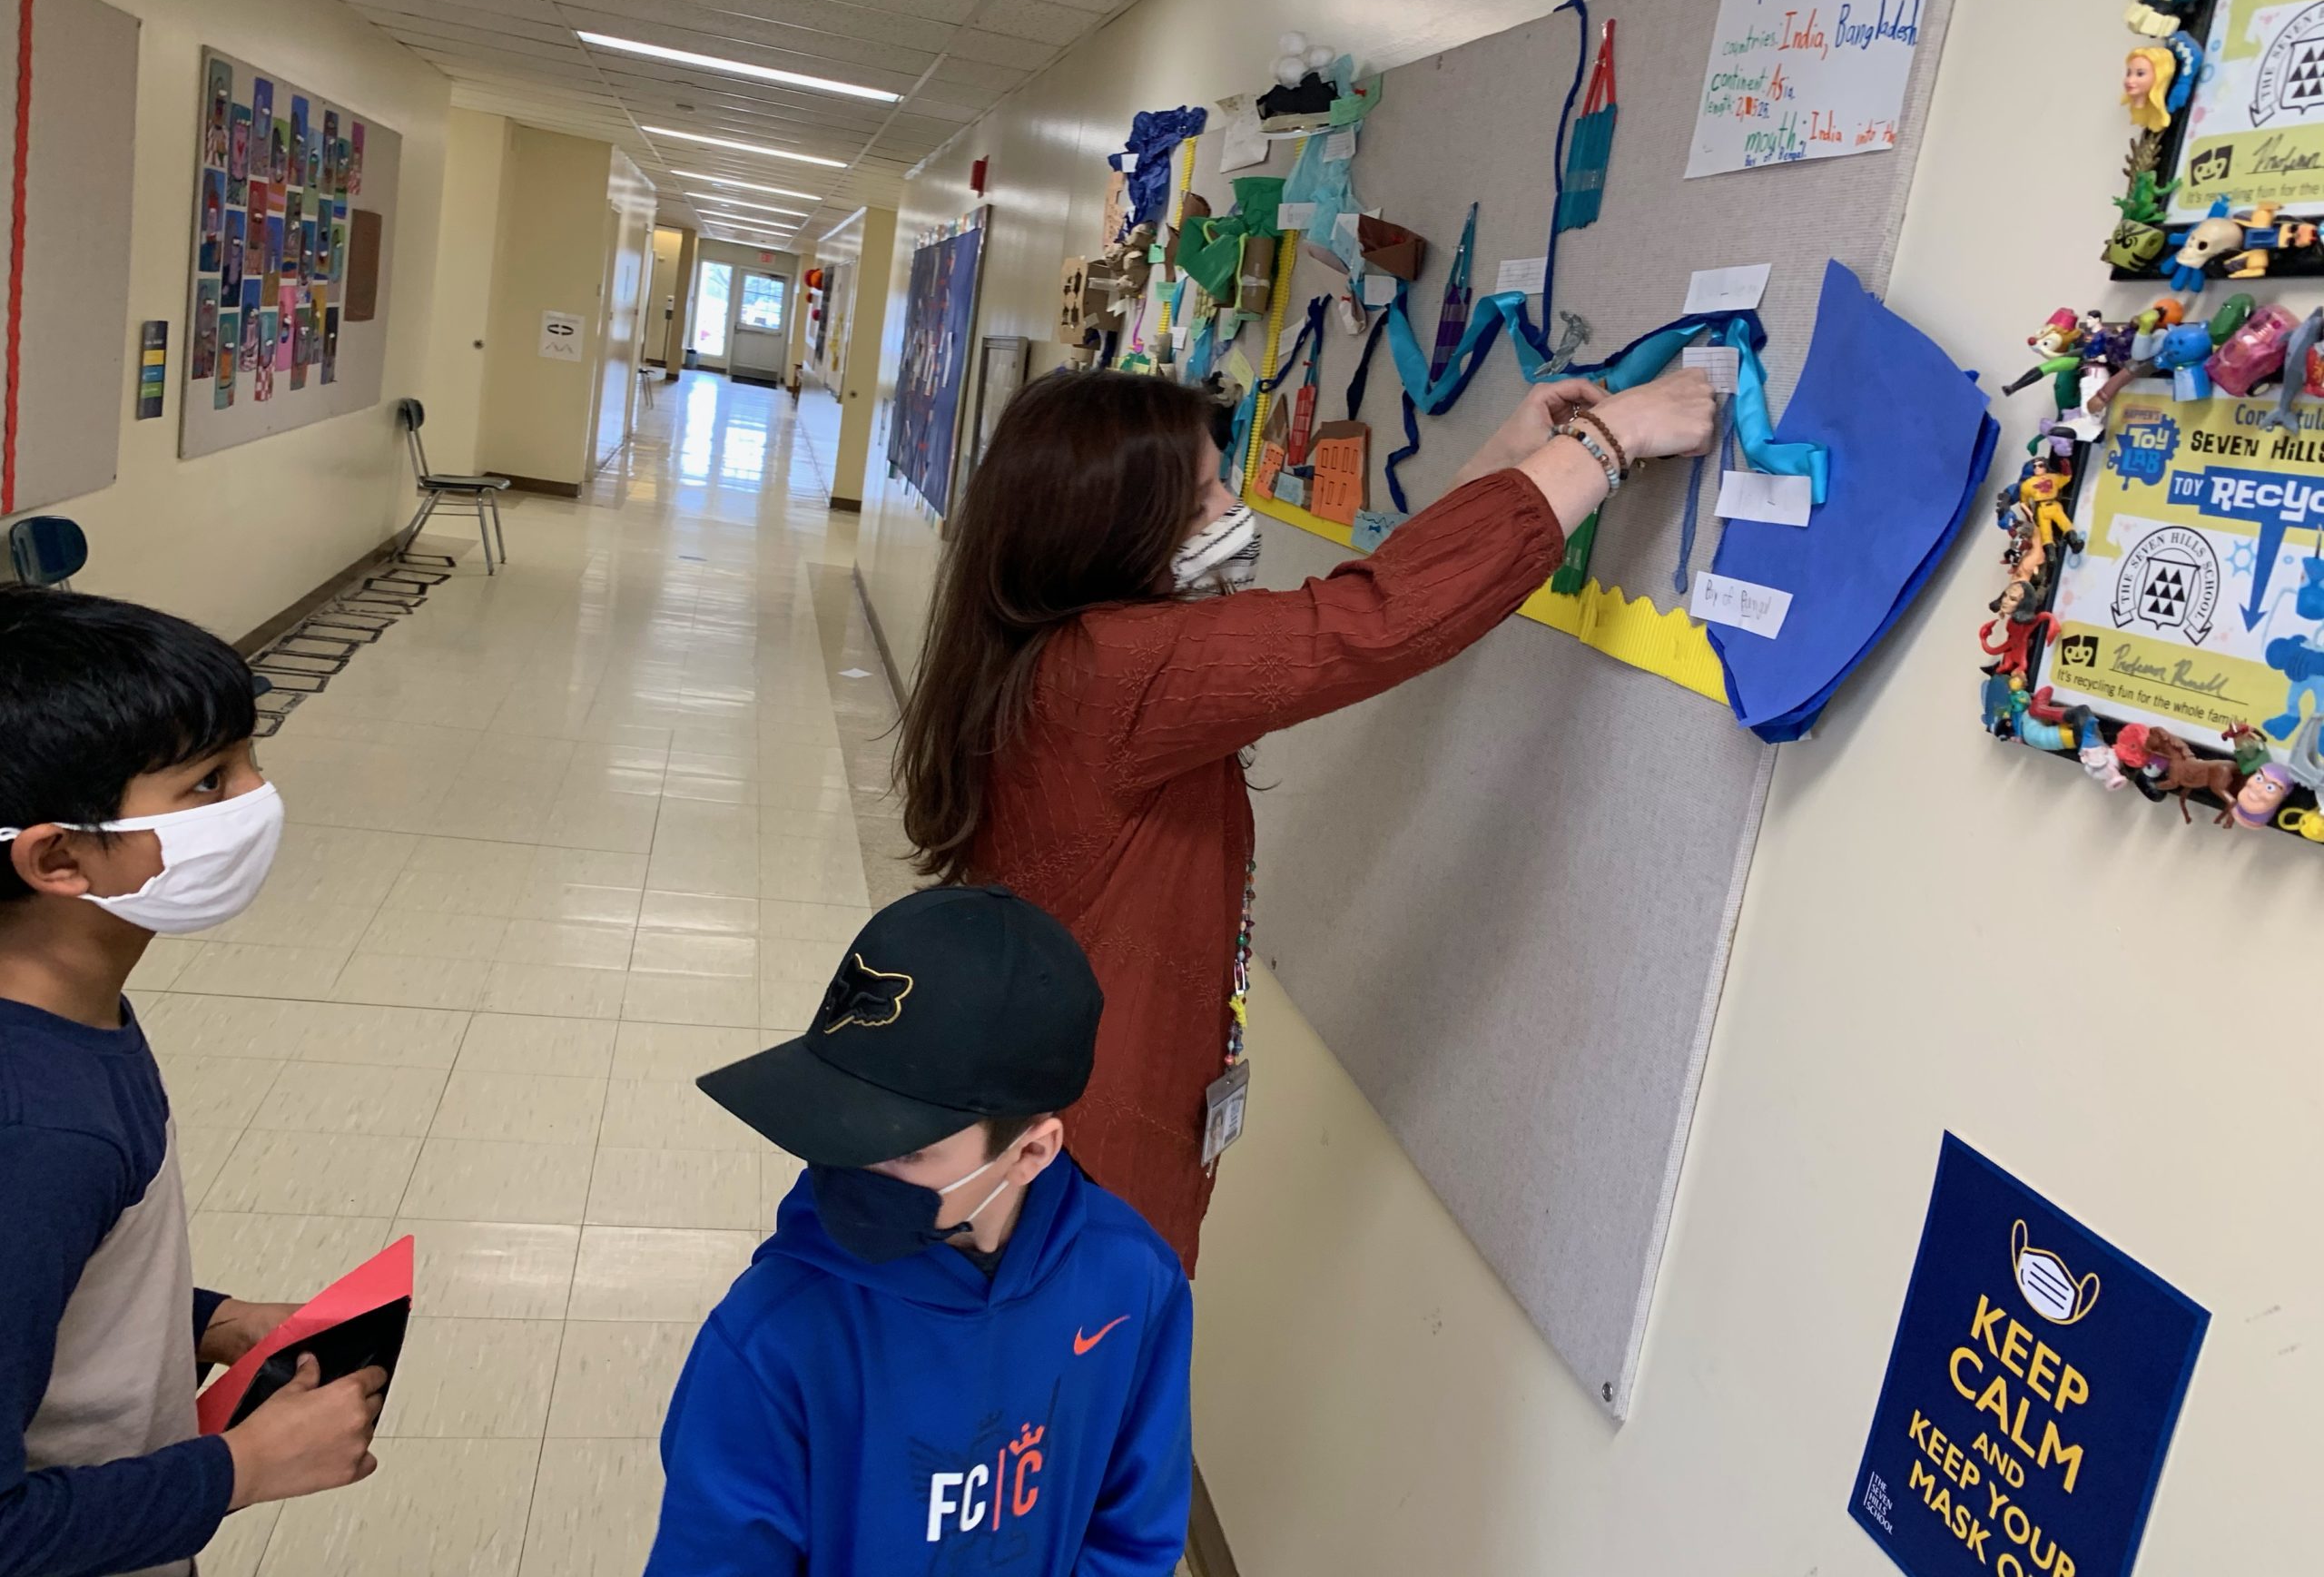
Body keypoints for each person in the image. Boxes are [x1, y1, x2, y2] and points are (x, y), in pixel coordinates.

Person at [895, 367, 1715, 1272]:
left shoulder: (1055, 650)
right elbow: (1369, 622)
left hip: (1050, 1139)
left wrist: (1508, 463)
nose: (1230, 508)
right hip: (1075, 1175)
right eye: (1206, 494)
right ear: (1110, 527)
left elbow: (1357, 606)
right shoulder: (1116, 674)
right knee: (1092, 1391)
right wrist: (1609, 442)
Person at [0, 587, 385, 1577]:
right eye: (211, 783)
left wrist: (201, 1317)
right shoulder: (39, 1130)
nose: (260, 798)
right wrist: (239, 1469)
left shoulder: (68, 1022)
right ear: (58, 855)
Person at [646, 885, 1192, 1577]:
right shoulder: (770, 1339)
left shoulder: (1136, 1280)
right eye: (837, 1121)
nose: (853, 1166)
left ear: (1031, 1152)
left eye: (906, 1148)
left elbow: (1135, 1535)